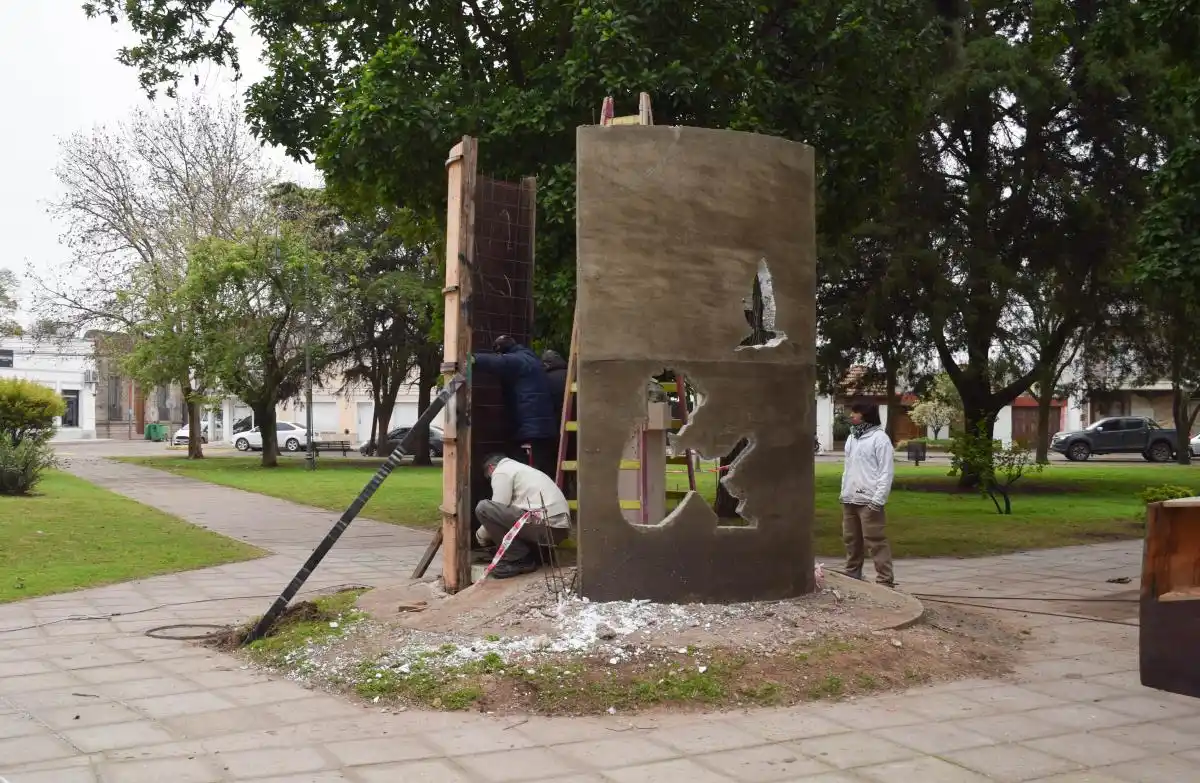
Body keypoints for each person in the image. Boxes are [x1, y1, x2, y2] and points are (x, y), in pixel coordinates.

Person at [475, 453, 571, 578]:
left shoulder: (501, 471)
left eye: (489, 477)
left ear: (491, 468)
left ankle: (520, 559)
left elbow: (496, 508)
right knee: (506, 515)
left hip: (546, 526)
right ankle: (532, 555)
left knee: (484, 508)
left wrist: (480, 536)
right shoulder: (520, 470)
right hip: (556, 529)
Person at [471, 335, 557, 475]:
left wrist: (474, 359)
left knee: (530, 472)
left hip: (531, 430)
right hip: (536, 429)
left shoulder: (520, 359)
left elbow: (500, 362)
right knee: (535, 470)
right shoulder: (529, 358)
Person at [839, 402, 896, 587]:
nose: (851, 415)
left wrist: (877, 501)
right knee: (851, 540)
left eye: (855, 412)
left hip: (869, 500)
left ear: (865, 415)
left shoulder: (880, 439)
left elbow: (886, 472)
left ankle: (885, 580)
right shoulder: (852, 437)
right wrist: (844, 492)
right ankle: (852, 575)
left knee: (875, 541)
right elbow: (848, 468)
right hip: (849, 498)